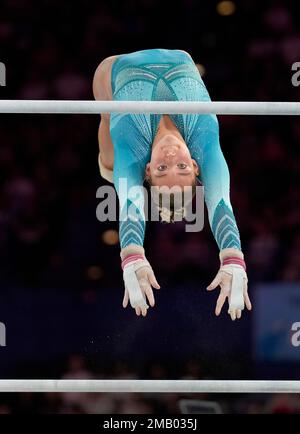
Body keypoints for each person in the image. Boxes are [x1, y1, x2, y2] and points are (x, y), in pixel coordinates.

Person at [93, 48, 251, 320]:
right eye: (182, 166)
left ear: (147, 169)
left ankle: (110, 169)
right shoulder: (204, 142)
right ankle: (118, 175)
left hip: (112, 70)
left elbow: (132, 205)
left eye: (162, 168)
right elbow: (220, 204)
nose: (171, 156)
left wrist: (131, 255)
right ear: (195, 165)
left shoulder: (132, 146)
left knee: (112, 156)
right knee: (117, 168)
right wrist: (232, 257)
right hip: (180, 57)